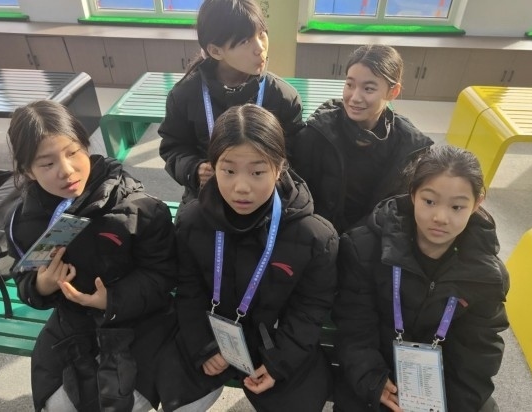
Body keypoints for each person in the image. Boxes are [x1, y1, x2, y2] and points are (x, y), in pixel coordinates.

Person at [5, 100, 177, 412]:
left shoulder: (140, 208)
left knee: (123, 401)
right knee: (58, 405)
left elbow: (163, 275)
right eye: (47, 164)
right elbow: (23, 279)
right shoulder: (22, 221)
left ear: (86, 145)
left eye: (72, 152)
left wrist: (111, 300)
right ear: (27, 170)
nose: (66, 170)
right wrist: (41, 285)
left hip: (139, 322)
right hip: (71, 325)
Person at [172, 104, 338, 411]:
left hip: (276, 344)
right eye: (228, 170)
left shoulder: (315, 236)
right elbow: (188, 291)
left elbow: (309, 310)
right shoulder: (192, 221)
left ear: (280, 167)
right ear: (213, 166)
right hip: (211, 336)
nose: (241, 187)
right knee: (173, 397)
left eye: (257, 172)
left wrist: (279, 363)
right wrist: (203, 347)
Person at [333, 145, 509, 411]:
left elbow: (479, 353)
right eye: (429, 201)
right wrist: (372, 379)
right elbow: (354, 326)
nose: (440, 217)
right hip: (377, 371)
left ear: (477, 204)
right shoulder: (365, 248)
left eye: (457, 206)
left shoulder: (486, 275)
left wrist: (447, 404)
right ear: (413, 193)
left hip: (441, 379)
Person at [158, 0, 304, 208]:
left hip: (264, 199)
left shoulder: (282, 97)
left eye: (262, 33)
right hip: (207, 196)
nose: (260, 48)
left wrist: (270, 172)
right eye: (245, 41)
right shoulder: (184, 95)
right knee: (186, 225)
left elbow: (294, 155)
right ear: (216, 51)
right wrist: (193, 169)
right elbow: (173, 146)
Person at [291, 44, 434, 234]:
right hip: (319, 235)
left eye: (368, 88)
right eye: (350, 85)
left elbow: (400, 211)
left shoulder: (410, 148)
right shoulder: (317, 133)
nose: (355, 97)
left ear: (393, 92)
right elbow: (296, 195)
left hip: (372, 240)